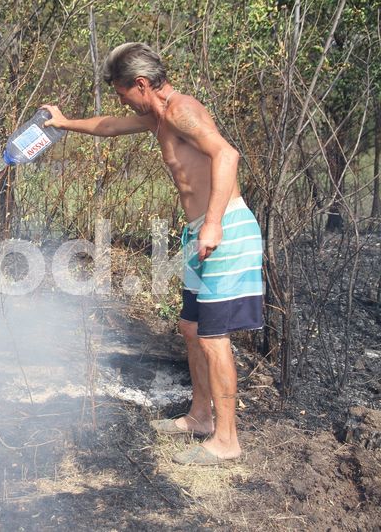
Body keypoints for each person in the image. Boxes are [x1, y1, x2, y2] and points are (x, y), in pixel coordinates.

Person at [42, 42, 263, 465]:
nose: (123, 102)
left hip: (226, 229)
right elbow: (108, 126)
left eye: (124, 93)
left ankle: (227, 441)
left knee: (214, 338)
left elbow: (226, 155)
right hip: (199, 231)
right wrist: (65, 122)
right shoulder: (157, 117)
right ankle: (200, 417)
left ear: (141, 84)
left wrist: (213, 222)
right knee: (191, 328)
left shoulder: (182, 110)